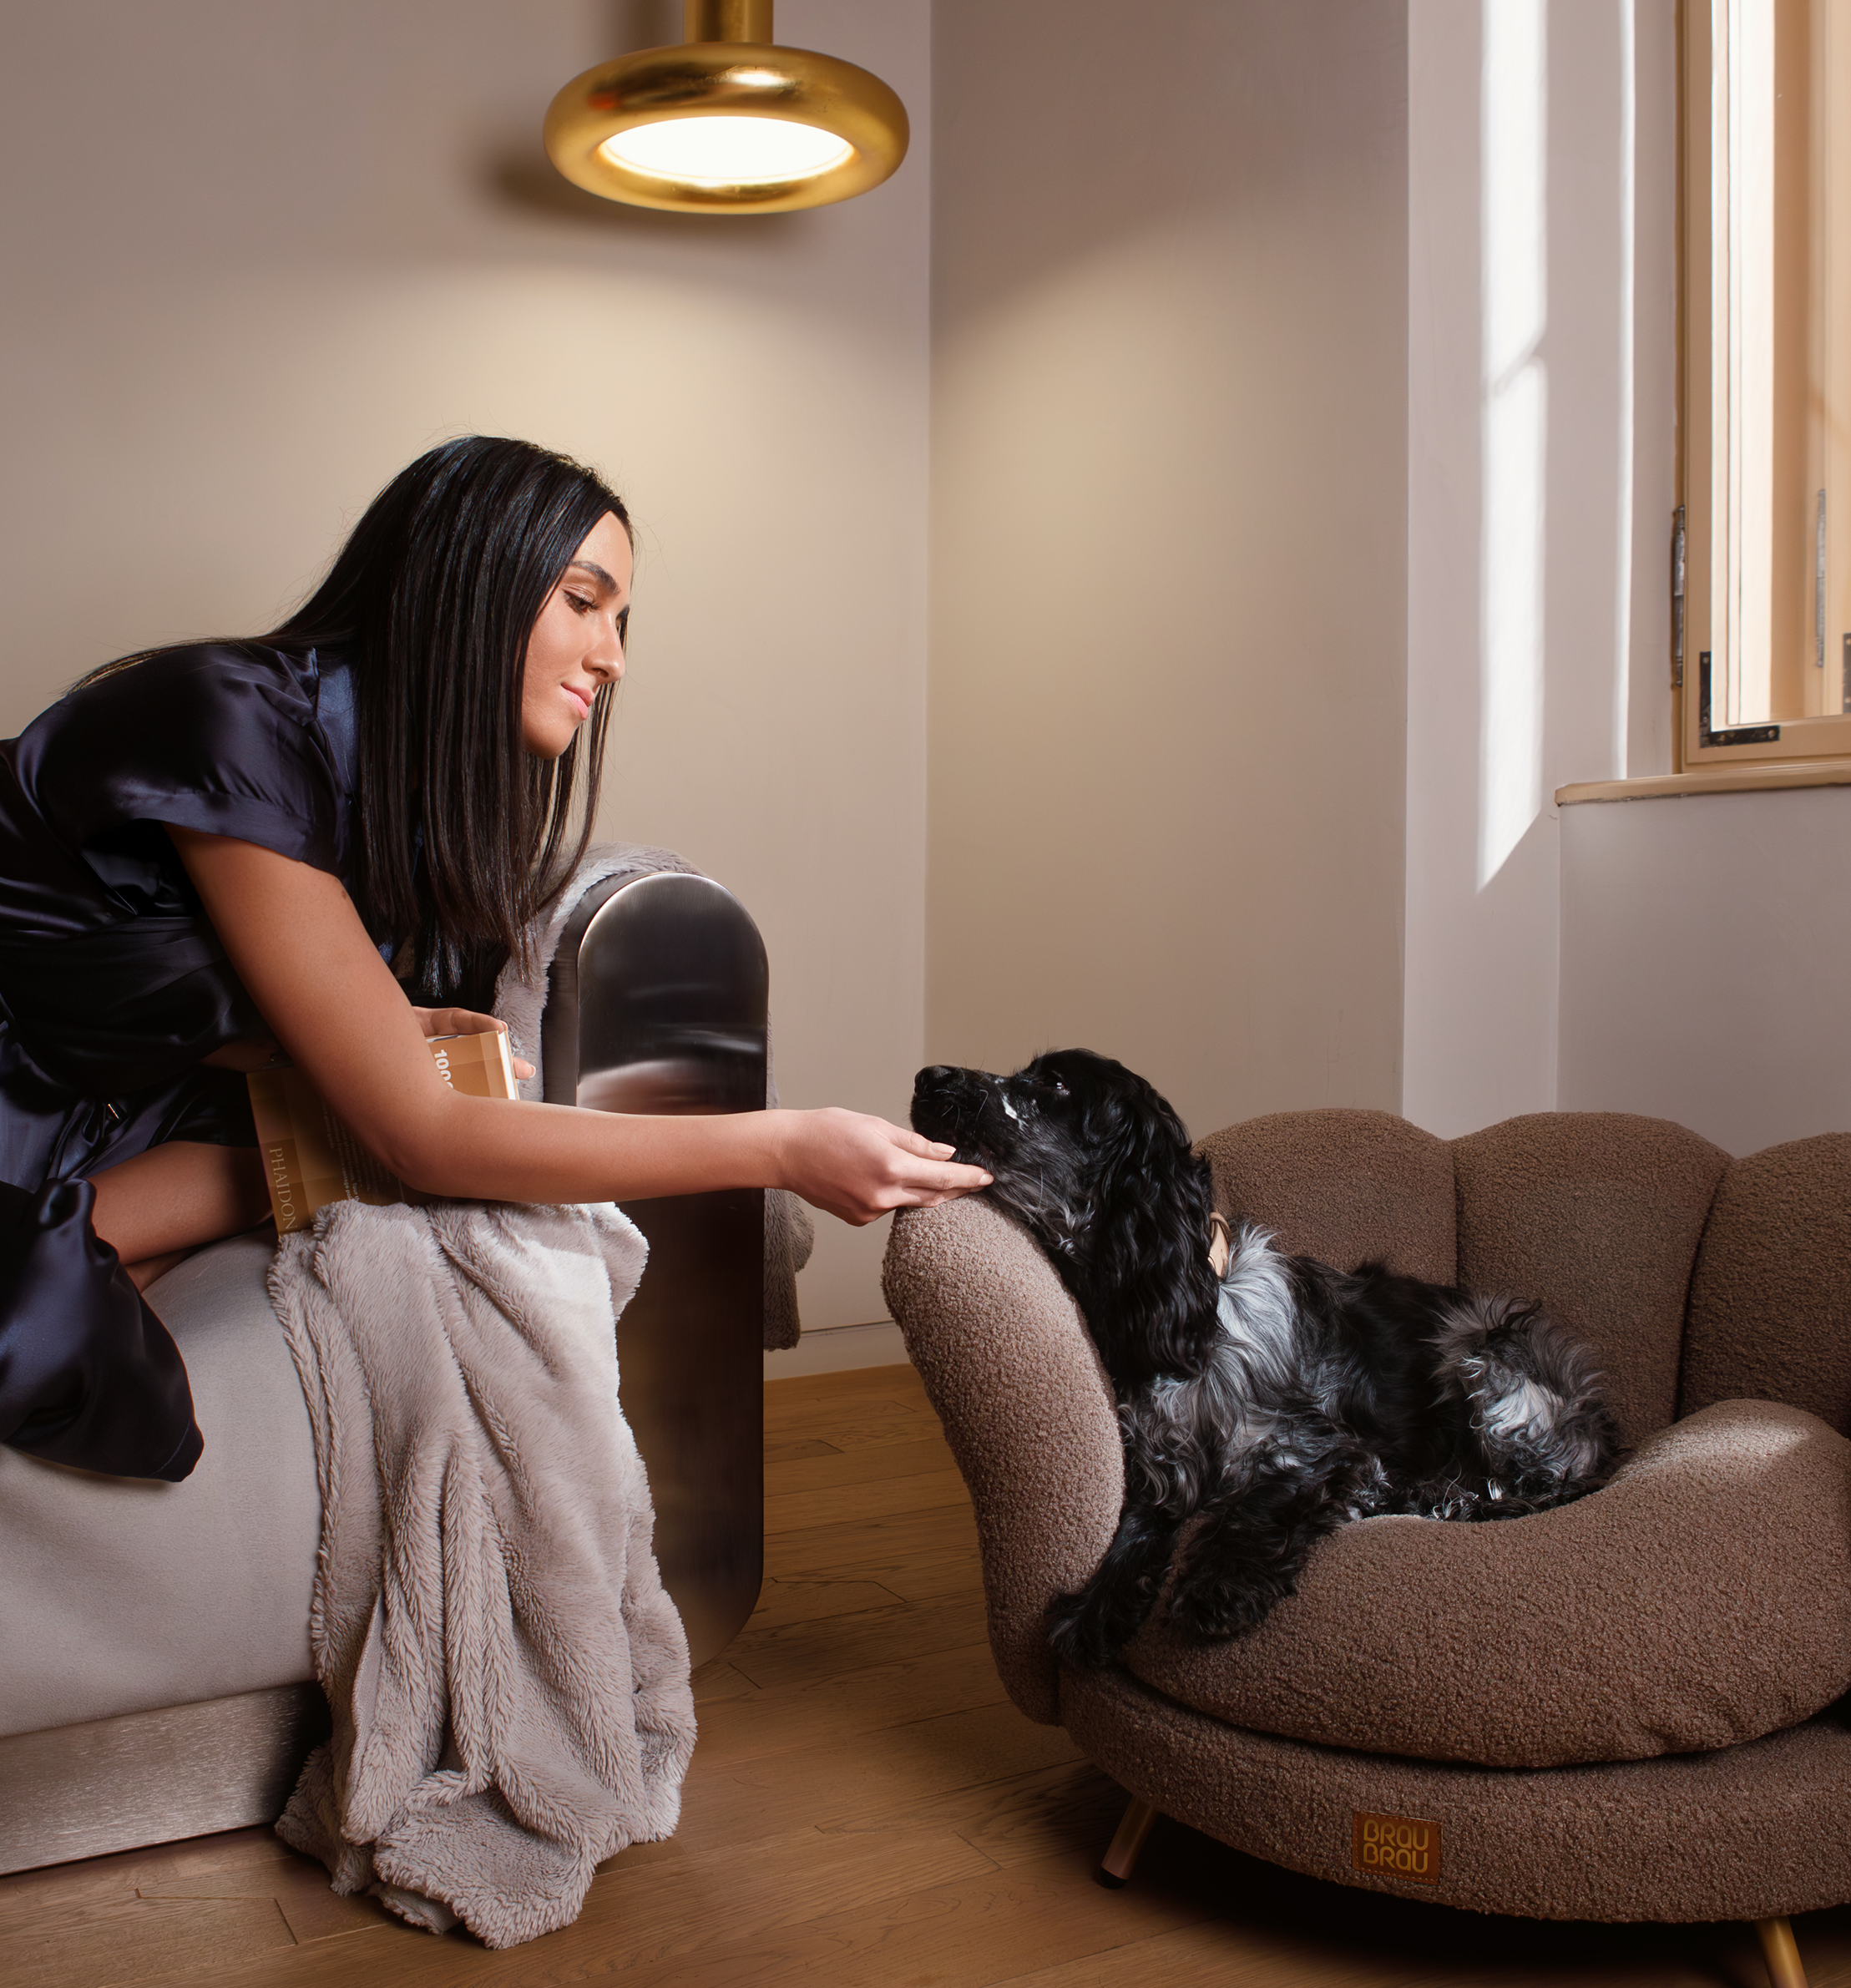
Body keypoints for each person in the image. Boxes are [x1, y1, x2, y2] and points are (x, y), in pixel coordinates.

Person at [0, 437, 989, 1483]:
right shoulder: (234, 720)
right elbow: (423, 1137)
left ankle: (89, 1239)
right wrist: (785, 1146)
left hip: (107, 1108)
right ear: (466, 582)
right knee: (282, 1200)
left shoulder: (406, 799)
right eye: (581, 600)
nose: (613, 657)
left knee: (323, 1153)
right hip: (37, 1089)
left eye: (621, 619)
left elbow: (191, 997)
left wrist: (384, 1027)